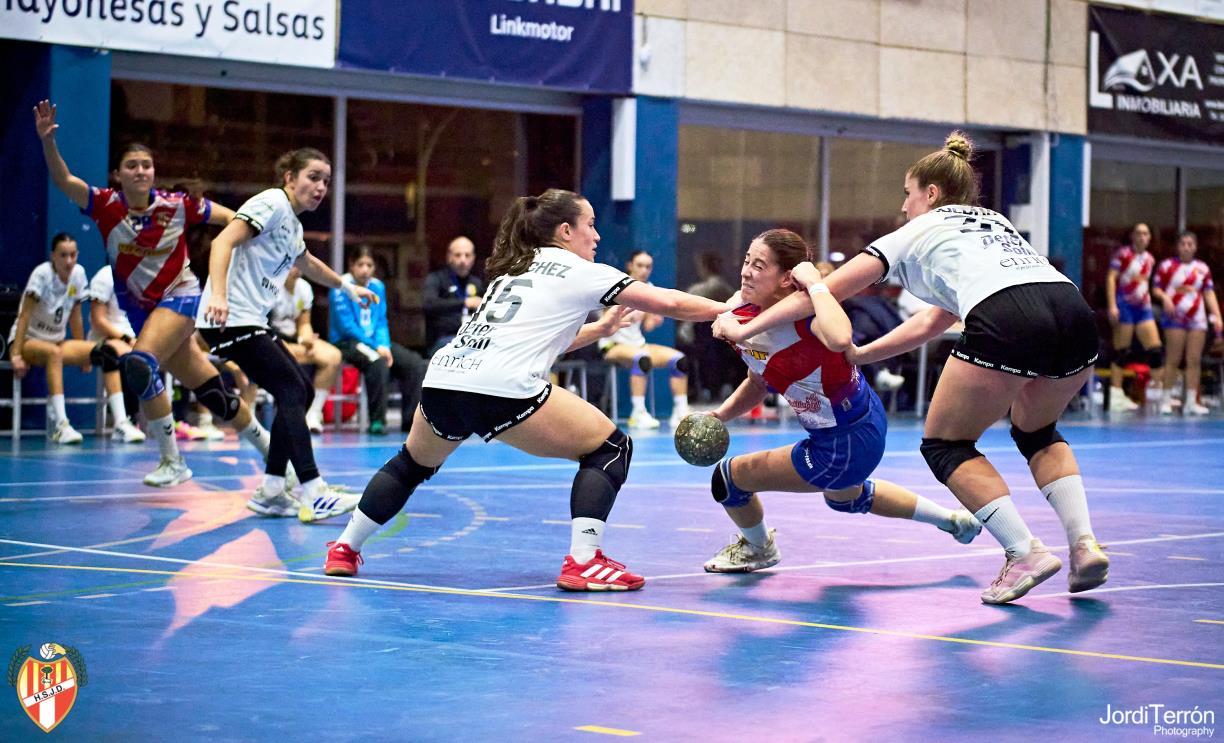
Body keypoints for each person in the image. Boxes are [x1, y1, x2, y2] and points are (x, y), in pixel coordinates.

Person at [720, 132, 1108, 605]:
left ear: (932, 194)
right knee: (1038, 433)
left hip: (1009, 314)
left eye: (908, 194)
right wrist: (866, 355)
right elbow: (938, 316)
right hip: (1073, 309)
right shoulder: (994, 221)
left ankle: (1023, 550)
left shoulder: (911, 233)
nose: (904, 207)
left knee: (947, 445)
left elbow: (819, 295)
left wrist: (745, 329)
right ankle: (1084, 543)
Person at [322, 188, 732, 590]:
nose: (598, 235)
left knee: (410, 464)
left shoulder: (516, 267)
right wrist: (729, 310)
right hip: (498, 386)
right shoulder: (584, 271)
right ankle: (584, 561)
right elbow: (670, 303)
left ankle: (344, 548)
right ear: (566, 231)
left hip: (445, 377)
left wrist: (604, 329)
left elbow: (542, 342)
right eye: (591, 224)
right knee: (610, 448)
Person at [703, 229, 980, 572]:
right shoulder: (744, 310)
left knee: (728, 479)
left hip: (843, 440)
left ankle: (759, 548)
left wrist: (817, 284)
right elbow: (759, 381)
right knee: (846, 497)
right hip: (856, 428)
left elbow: (840, 338)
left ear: (787, 277)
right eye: (747, 260)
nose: (746, 271)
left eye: (759, 265)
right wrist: (719, 415)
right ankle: (954, 521)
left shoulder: (811, 319)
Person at [35, 99, 273, 487]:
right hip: (143, 311)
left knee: (140, 363)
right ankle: (273, 450)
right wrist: (48, 142)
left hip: (180, 296)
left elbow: (232, 220)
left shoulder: (176, 205)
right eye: (132, 166)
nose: (141, 171)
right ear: (118, 174)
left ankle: (172, 460)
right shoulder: (105, 206)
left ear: (154, 172)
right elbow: (65, 182)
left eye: (146, 165)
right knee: (214, 395)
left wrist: (253, 247)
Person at [199, 148, 378, 521]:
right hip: (230, 318)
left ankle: (272, 490)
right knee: (291, 389)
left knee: (301, 390)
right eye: (313, 177)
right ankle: (313, 490)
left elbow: (307, 263)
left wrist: (348, 288)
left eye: (326, 181)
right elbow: (222, 242)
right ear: (289, 178)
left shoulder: (292, 226)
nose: (320, 187)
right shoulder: (272, 203)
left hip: (250, 320)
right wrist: (217, 294)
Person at [329, 246, 427, 435]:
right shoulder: (341, 288)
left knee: (414, 364)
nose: (365, 269)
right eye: (360, 264)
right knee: (377, 362)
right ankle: (377, 421)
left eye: (369, 265)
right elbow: (347, 327)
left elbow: (381, 320)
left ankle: (409, 421)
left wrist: (383, 345)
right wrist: (376, 348)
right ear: (351, 265)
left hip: (375, 342)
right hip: (347, 342)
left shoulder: (377, 287)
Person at [7, 233, 94, 444]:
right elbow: (24, 315)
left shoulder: (79, 274)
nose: (69, 261)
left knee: (101, 351)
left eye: (73, 255)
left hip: (57, 340)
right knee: (54, 354)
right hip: (28, 340)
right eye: (63, 255)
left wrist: (83, 351)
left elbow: (75, 316)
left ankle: (121, 421)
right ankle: (61, 425)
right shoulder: (42, 274)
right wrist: (16, 354)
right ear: (53, 256)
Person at [598, 249, 692, 429]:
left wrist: (654, 318)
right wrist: (626, 317)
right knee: (642, 358)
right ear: (630, 266)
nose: (644, 270)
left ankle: (680, 413)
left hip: (638, 344)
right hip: (612, 345)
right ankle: (638, 413)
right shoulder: (617, 286)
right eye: (640, 265)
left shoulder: (650, 289)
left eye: (648, 266)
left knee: (679, 360)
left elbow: (648, 325)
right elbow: (605, 322)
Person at [1153, 230, 1222, 416]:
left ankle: (1191, 401)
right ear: (1178, 246)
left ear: (1195, 247)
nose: (1186, 247)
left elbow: (1208, 293)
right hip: (1174, 318)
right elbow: (1156, 289)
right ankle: (1165, 399)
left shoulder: (1202, 268)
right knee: (1173, 359)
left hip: (1197, 319)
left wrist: (1217, 317)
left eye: (1190, 244)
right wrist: (1165, 298)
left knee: (1194, 360)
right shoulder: (1167, 266)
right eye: (1183, 244)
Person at [269, 266, 343, 434]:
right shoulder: (271, 287)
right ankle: (288, 415)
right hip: (272, 339)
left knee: (333, 356)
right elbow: (266, 326)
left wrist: (307, 339)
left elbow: (304, 324)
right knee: (286, 356)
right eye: (293, 261)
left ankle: (313, 414)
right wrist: (297, 343)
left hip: (296, 340)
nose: (298, 266)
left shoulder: (304, 288)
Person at [86, 264, 147, 443]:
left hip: (132, 339)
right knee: (128, 357)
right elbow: (98, 321)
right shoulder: (104, 276)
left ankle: (162, 420)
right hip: (105, 339)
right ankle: (122, 421)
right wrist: (127, 339)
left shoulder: (139, 276)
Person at [1105, 223, 1162, 412]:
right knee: (1122, 351)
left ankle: (1156, 390)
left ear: (1150, 238)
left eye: (1146, 234)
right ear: (1132, 236)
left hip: (1143, 307)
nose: (1142, 237)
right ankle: (1115, 393)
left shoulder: (1150, 259)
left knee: (1155, 350)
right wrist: (1113, 305)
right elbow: (1111, 278)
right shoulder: (1123, 254)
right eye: (1138, 233)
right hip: (1125, 305)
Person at [422, 236, 486, 356]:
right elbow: (428, 304)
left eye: (467, 255)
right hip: (442, 340)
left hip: (472, 337)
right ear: (449, 257)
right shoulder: (436, 279)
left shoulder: (476, 283)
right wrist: (465, 302)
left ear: (473, 258)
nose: (463, 260)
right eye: (458, 255)